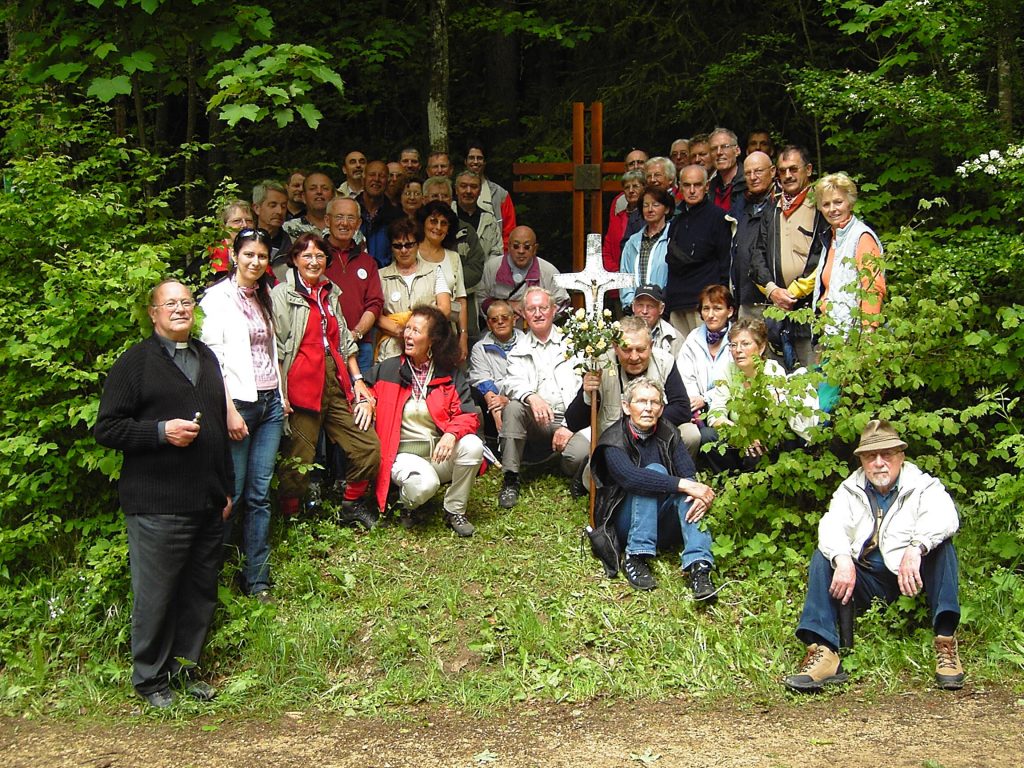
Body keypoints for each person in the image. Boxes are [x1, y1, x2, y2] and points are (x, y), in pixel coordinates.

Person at [94, 280, 233, 708]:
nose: (179, 309)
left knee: (198, 593)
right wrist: (160, 432)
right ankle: (150, 681)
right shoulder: (135, 363)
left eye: (186, 302)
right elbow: (107, 429)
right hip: (157, 504)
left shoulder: (206, 357)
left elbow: (217, 429)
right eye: (169, 303)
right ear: (153, 313)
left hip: (207, 501)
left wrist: (227, 489)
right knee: (156, 595)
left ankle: (184, 672)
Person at [783, 420, 963, 692]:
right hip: (866, 580)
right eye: (870, 456)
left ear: (900, 457)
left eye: (886, 455)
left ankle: (946, 641)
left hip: (911, 580)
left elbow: (946, 516)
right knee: (825, 556)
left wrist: (917, 547)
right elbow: (832, 525)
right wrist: (842, 558)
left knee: (943, 548)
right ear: (862, 462)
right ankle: (824, 652)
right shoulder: (849, 490)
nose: (879, 463)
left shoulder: (922, 485)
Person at [271, 233, 381, 526]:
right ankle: (291, 517)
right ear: (294, 260)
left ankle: (352, 504)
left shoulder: (330, 292)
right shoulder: (282, 295)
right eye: (306, 256)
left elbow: (344, 341)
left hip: (336, 380)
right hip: (301, 385)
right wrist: (281, 393)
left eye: (319, 256)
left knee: (367, 445)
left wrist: (358, 381)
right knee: (299, 457)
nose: (313, 261)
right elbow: (278, 348)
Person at [199, 229, 285, 604]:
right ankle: (208, 578)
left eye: (262, 256)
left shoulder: (263, 296)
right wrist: (228, 410)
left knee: (259, 495)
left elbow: (270, 351)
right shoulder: (216, 299)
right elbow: (210, 360)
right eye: (248, 254)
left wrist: (280, 396)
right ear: (235, 256)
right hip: (238, 405)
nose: (255, 261)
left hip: (269, 405)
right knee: (230, 495)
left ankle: (257, 580)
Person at [589, 377, 718, 598]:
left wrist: (695, 490)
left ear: (661, 408)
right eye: (641, 401)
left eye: (654, 402)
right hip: (623, 523)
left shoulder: (668, 432)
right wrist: (685, 484)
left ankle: (699, 565)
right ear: (626, 406)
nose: (648, 408)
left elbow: (687, 473)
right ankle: (636, 556)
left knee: (689, 493)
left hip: (660, 522)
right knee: (656, 473)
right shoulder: (613, 439)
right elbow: (631, 478)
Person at [367, 305, 484, 536]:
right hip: (403, 455)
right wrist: (364, 401)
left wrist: (451, 434)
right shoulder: (390, 369)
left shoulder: (448, 373)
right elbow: (364, 389)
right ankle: (405, 504)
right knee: (425, 485)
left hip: (439, 455)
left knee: (473, 445)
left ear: (432, 340)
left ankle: (454, 510)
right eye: (407, 329)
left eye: (416, 331)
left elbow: (468, 414)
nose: (408, 335)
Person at [498, 287, 590, 508]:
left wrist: (569, 424)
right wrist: (531, 396)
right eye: (531, 309)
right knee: (513, 408)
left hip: (575, 422)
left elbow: (588, 387)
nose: (538, 314)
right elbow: (512, 382)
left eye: (543, 308)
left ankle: (560, 459)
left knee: (576, 458)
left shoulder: (575, 342)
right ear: (523, 314)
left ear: (554, 310)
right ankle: (511, 477)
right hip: (541, 420)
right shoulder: (518, 349)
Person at [565, 316, 700, 455]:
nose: (634, 357)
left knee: (690, 434)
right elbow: (573, 422)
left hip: (656, 436)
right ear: (615, 347)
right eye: (627, 350)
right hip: (614, 444)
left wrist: (641, 421)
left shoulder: (665, 362)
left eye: (641, 349)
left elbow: (682, 409)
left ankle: (673, 471)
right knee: (579, 458)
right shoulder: (599, 365)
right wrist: (587, 395)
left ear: (651, 346)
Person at [704, 318, 818, 472]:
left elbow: (774, 417)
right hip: (738, 436)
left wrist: (753, 437)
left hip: (765, 438)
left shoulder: (772, 371)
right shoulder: (728, 371)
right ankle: (729, 481)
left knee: (758, 451)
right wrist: (741, 434)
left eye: (745, 344)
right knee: (707, 436)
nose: (738, 350)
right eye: (733, 345)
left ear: (761, 347)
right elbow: (715, 415)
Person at [750, 146, 829, 367]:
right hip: (775, 311)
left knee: (811, 379)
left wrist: (793, 293)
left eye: (794, 169)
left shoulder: (821, 207)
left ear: (809, 169)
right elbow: (757, 255)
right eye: (783, 170)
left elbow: (825, 254)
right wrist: (773, 290)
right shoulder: (772, 208)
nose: (787, 175)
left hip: (809, 310)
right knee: (778, 381)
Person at [812, 172, 886, 342]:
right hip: (832, 334)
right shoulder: (831, 237)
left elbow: (873, 288)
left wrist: (869, 333)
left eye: (838, 202)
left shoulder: (862, 237)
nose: (832, 209)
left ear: (850, 203)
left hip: (856, 337)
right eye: (826, 204)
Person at [665, 164, 733, 337]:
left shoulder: (718, 217)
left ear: (707, 186)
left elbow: (725, 262)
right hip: (677, 301)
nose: (692, 190)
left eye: (697, 185)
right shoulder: (676, 220)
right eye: (687, 185)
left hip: (705, 304)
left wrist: (721, 301)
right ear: (680, 187)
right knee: (682, 358)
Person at [376, 216, 451, 360]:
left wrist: (420, 331)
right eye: (398, 246)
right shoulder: (380, 276)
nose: (403, 250)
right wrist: (403, 331)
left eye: (409, 245)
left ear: (418, 244)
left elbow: (445, 309)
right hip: (392, 349)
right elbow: (376, 316)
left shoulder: (435, 272)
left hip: (429, 347)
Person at [323, 196, 383, 374]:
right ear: (328, 220)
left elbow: (375, 303)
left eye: (350, 218)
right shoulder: (316, 257)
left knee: (362, 398)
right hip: (324, 345)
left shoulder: (368, 261)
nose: (344, 223)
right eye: (339, 216)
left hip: (361, 346)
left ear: (358, 223)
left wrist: (355, 334)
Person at [478, 225, 569, 325]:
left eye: (527, 247)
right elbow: (480, 300)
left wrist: (536, 314)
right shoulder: (492, 268)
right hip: (500, 331)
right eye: (516, 246)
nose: (521, 251)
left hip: (536, 331)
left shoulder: (548, 271)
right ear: (508, 247)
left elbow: (562, 302)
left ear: (535, 249)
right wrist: (506, 306)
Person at [416, 200, 469, 362]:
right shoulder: (410, 252)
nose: (438, 227)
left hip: (447, 333)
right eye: (433, 221)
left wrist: (463, 336)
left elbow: (461, 301)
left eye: (444, 223)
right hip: (417, 331)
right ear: (423, 223)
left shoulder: (453, 258)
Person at [675, 284, 735, 428]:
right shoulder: (693, 339)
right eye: (706, 309)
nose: (710, 315)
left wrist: (706, 398)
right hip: (697, 409)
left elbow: (736, 381)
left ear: (730, 311)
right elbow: (685, 377)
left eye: (717, 308)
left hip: (731, 407)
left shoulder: (738, 339)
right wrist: (695, 398)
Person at [468, 299, 525, 444]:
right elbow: (483, 381)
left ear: (514, 320)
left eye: (505, 318)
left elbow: (530, 380)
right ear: (488, 324)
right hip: (494, 399)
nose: (500, 322)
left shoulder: (528, 343)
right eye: (494, 319)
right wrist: (496, 411)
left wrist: (508, 400)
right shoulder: (479, 348)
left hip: (524, 398)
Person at [731, 152, 775, 321]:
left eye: (758, 171)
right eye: (748, 173)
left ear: (772, 171)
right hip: (745, 298)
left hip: (771, 298)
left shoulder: (780, 205)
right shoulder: (742, 208)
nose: (753, 177)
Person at [619, 185, 674, 307]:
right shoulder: (632, 242)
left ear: (666, 209)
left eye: (655, 205)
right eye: (645, 205)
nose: (650, 209)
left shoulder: (674, 238)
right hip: (636, 310)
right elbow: (625, 276)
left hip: (666, 308)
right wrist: (630, 305)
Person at [464, 141, 517, 249]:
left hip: (493, 255)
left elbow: (509, 232)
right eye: (471, 158)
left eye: (479, 158)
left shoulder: (499, 194)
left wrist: (503, 259)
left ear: (484, 162)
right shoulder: (453, 191)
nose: (475, 162)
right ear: (465, 161)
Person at [356, 160, 405, 267]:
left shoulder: (398, 217)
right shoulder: (351, 212)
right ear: (363, 180)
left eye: (382, 176)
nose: (376, 179)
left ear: (387, 181)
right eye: (372, 175)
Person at [602, 169, 645, 286]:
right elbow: (607, 249)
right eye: (627, 187)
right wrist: (617, 272)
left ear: (644, 188)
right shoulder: (617, 218)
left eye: (635, 186)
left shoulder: (648, 217)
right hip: (618, 281)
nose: (631, 191)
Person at [453, 169, 503, 260]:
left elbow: (497, 252)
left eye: (473, 187)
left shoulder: (489, 220)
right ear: (456, 190)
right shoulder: (447, 216)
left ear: (480, 191)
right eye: (463, 186)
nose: (468, 191)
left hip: (485, 272)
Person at [251, 180, 293, 278]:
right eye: (273, 205)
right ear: (257, 208)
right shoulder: (243, 243)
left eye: (283, 206)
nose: (279, 211)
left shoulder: (293, 246)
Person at [631, 284, 683, 358]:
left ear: (661, 308)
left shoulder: (674, 337)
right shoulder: (620, 333)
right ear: (633, 307)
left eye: (650, 306)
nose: (644, 311)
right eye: (640, 305)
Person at [283, 171, 334, 238]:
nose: (319, 192)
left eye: (325, 188)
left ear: (333, 196)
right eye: (313, 189)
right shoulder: (287, 229)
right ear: (304, 197)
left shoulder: (344, 226)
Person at [208, 200, 254, 275]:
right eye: (237, 221)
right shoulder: (213, 252)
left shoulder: (259, 252)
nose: (245, 225)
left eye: (249, 220)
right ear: (223, 226)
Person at [707, 127, 745, 217]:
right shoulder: (711, 187)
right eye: (714, 148)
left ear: (737, 150)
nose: (719, 152)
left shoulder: (749, 182)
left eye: (724, 147)